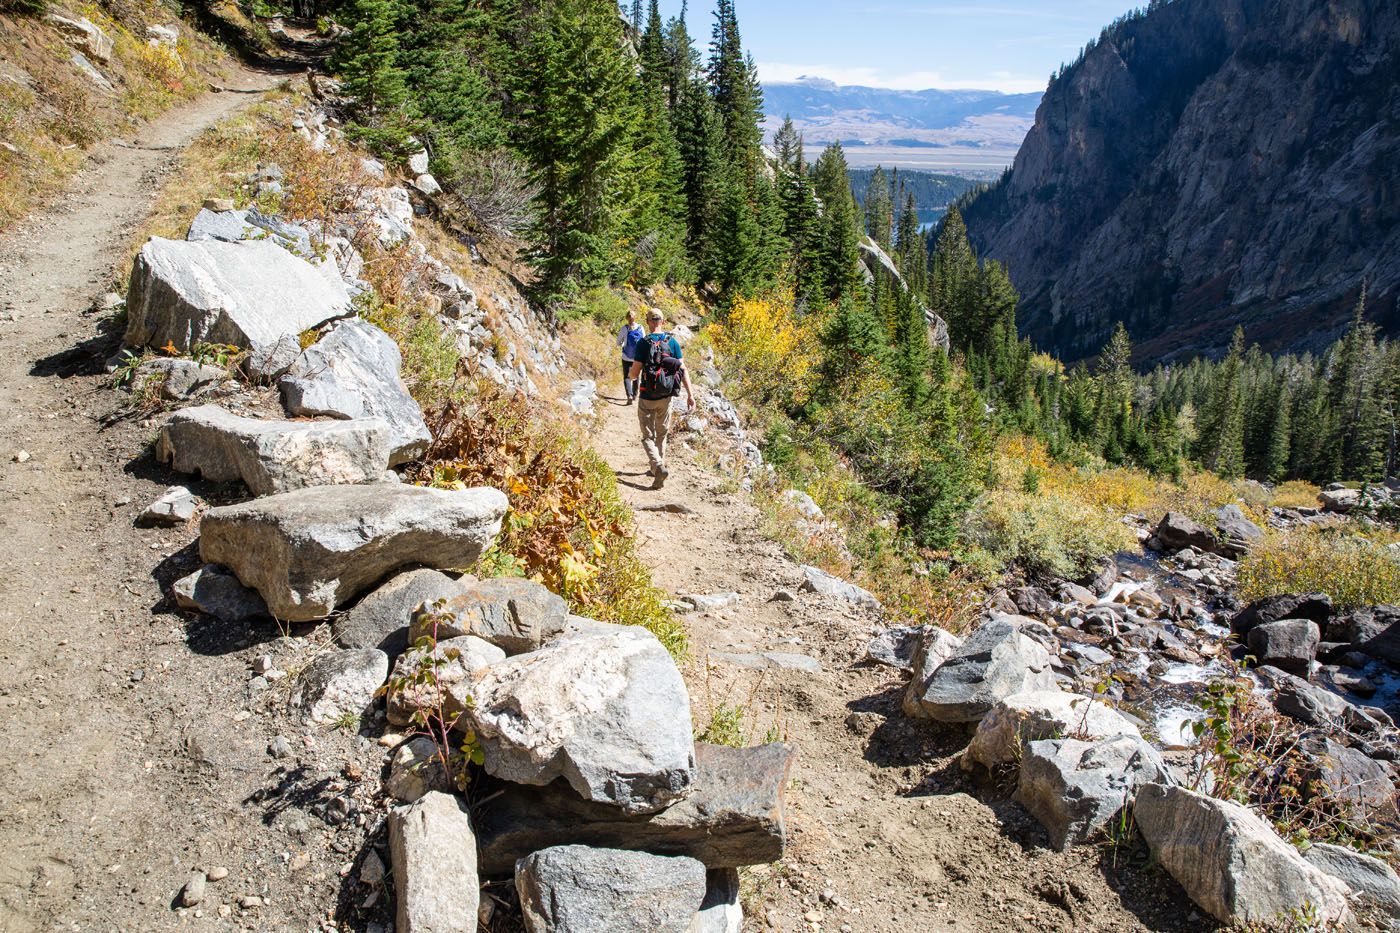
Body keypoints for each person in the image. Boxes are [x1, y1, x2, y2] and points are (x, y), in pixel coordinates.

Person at [629, 308, 694, 489]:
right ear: (663, 322)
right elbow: (683, 369)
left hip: (647, 396)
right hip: (666, 396)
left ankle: (657, 466)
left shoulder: (643, 343)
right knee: (662, 434)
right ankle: (657, 467)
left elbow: (634, 373)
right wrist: (690, 395)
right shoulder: (672, 342)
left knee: (647, 436)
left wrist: (630, 375)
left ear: (648, 322)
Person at [616, 309, 644, 404]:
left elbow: (618, 342)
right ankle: (635, 395)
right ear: (635, 317)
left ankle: (629, 395)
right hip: (638, 357)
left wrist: (623, 343)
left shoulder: (624, 328)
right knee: (636, 375)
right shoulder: (641, 328)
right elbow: (644, 341)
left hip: (626, 356)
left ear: (627, 318)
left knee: (627, 377)